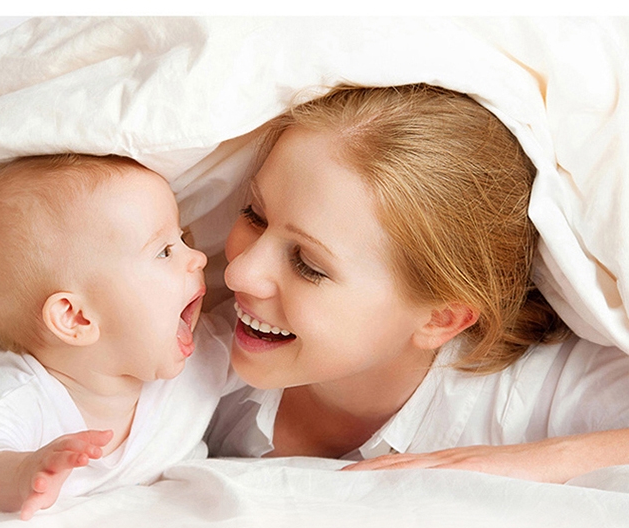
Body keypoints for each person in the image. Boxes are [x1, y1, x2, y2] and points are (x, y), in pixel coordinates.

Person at [206, 83, 629, 481]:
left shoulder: (525, 394)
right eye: (254, 215)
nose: (238, 273)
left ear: (441, 319)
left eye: (308, 265)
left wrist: (521, 463)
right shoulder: (205, 351)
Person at [0, 153, 228, 518]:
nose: (198, 258)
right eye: (164, 251)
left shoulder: (208, 352)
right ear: (76, 317)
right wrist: (19, 474)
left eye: (183, 237)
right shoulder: (23, 393)